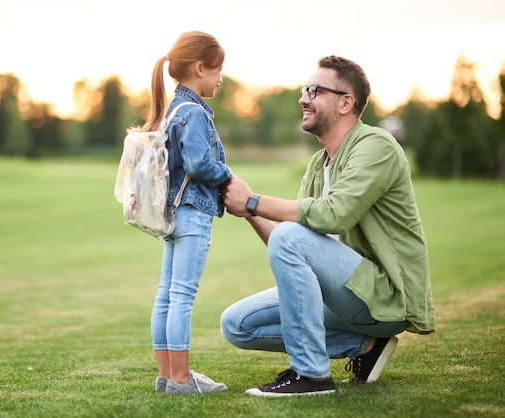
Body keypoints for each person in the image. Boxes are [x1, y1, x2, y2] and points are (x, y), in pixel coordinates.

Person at [220, 55, 435, 396]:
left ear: (346, 102)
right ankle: (366, 346)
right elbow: (288, 241)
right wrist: (246, 210)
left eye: (315, 90)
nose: (303, 98)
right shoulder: (319, 164)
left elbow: (335, 215)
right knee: (236, 325)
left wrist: (253, 200)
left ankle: (311, 375)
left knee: (292, 236)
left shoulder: (376, 146)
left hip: (386, 297)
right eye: (305, 89)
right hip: (344, 294)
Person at [141, 31, 232, 395]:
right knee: (181, 297)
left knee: (166, 294)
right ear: (199, 68)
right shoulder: (193, 112)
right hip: (193, 213)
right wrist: (229, 175)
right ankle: (181, 379)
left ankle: (167, 376)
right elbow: (198, 163)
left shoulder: (171, 110)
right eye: (218, 70)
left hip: (171, 215)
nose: (221, 77)